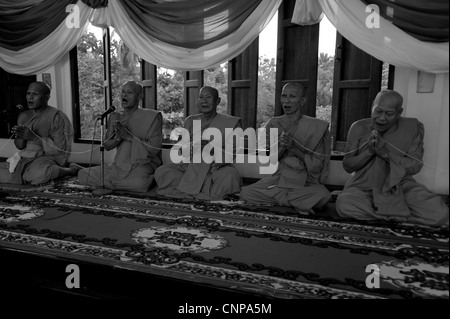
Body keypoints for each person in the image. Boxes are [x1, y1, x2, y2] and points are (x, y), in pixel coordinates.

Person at [336, 90, 449, 226]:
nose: (382, 118)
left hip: (399, 186)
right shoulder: (358, 127)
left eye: (389, 114)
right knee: (344, 204)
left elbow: (415, 166)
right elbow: (348, 165)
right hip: (364, 187)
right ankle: (400, 216)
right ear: (373, 105)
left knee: (440, 213)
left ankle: (386, 215)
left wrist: (385, 154)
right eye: (378, 111)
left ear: (399, 113)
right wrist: (370, 153)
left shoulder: (411, 128)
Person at [240, 83, 331, 214]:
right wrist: (283, 147)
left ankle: (281, 199)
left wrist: (294, 148)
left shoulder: (316, 127)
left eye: (292, 96)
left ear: (302, 101)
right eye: (284, 96)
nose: (286, 100)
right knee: (246, 192)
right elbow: (271, 161)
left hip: (305, 181)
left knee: (323, 195)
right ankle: (296, 202)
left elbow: (316, 166)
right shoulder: (273, 124)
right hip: (280, 178)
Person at [154, 86, 241, 200]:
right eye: (201, 97)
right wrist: (190, 146)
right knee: (162, 172)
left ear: (217, 101)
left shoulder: (230, 122)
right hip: (191, 167)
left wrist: (212, 149)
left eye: (208, 97)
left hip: (215, 168)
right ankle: (205, 191)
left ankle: (190, 190)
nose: (204, 101)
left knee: (230, 176)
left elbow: (231, 154)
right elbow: (181, 149)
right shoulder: (190, 121)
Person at [77, 81, 162, 193]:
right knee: (82, 174)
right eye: (122, 92)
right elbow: (107, 145)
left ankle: (109, 184)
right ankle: (116, 184)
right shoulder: (115, 116)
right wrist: (118, 138)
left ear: (140, 96)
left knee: (139, 184)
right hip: (119, 165)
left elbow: (154, 149)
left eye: (129, 92)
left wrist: (128, 136)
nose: (124, 95)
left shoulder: (152, 117)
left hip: (141, 165)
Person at [0, 81, 78, 185]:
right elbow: (19, 146)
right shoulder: (23, 116)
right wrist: (22, 137)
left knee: (41, 174)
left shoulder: (56, 117)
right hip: (24, 158)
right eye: (28, 93)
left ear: (47, 97)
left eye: (35, 94)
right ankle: (25, 175)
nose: (30, 97)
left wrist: (34, 137)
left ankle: (70, 170)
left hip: (45, 158)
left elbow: (60, 149)